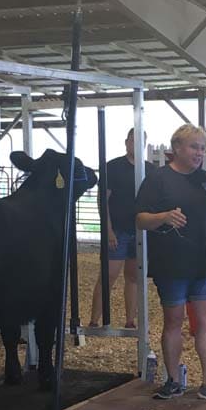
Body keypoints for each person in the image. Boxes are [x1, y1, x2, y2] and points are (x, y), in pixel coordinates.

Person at [135, 124, 206, 401]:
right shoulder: (157, 180)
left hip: (201, 262)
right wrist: (164, 217)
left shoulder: (205, 179)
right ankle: (172, 380)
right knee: (174, 321)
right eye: (194, 147)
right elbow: (139, 218)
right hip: (170, 263)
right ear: (177, 148)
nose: (199, 153)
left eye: (202, 148)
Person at [88, 129, 153, 330]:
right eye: (133, 140)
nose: (136, 144)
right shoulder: (113, 167)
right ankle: (94, 320)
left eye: (140, 140)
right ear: (126, 142)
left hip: (140, 230)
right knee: (108, 275)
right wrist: (108, 230)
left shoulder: (150, 170)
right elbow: (103, 201)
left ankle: (130, 320)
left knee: (134, 276)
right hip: (118, 230)